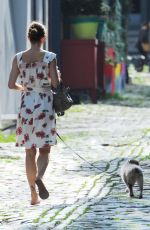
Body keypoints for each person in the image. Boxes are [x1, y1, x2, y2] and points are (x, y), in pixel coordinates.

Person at [8, 21, 60, 205]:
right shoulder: (50, 57)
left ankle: (33, 194)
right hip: (44, 104)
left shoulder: (19, 58)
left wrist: (25, 88)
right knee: (45, 149)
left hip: (26, 105)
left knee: (29, 151)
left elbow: (10, 84)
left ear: (29, 38)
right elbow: (54, 83)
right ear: (43, 38)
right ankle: (39, 177)